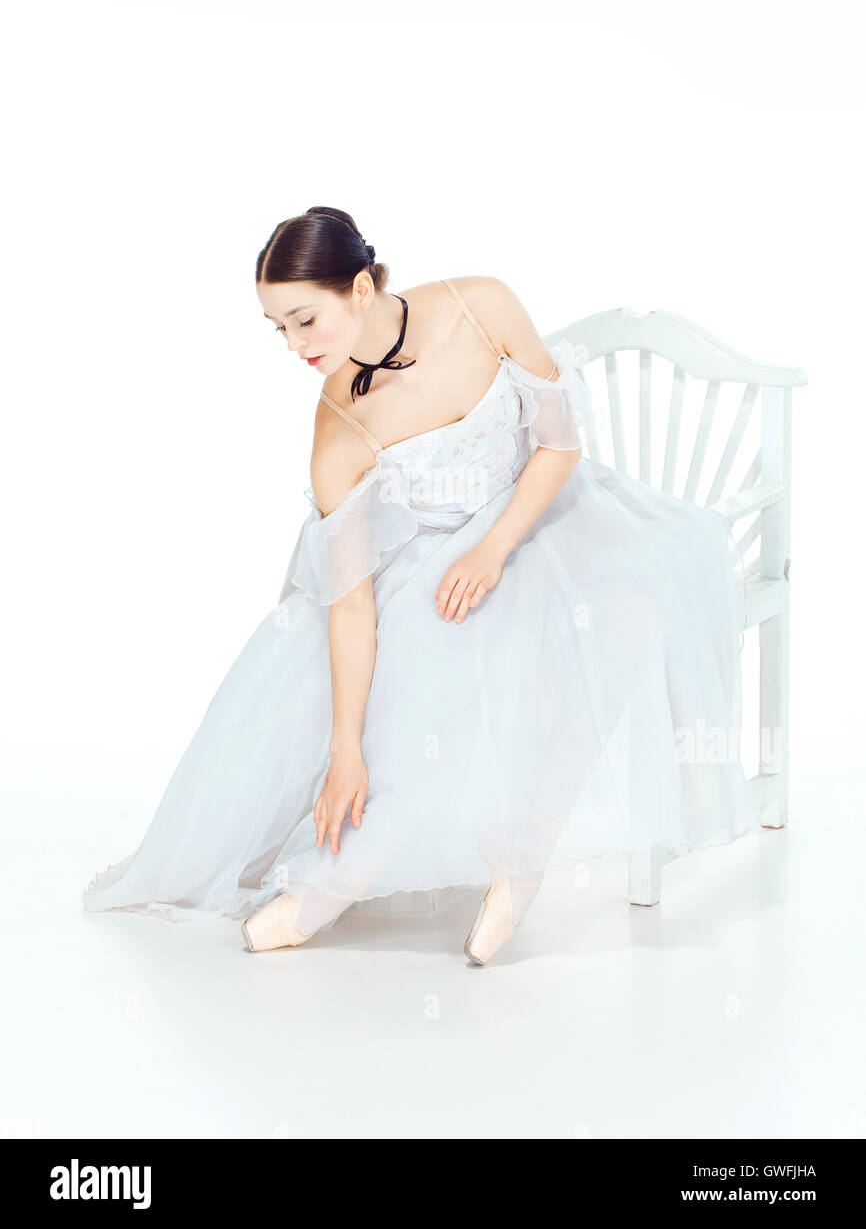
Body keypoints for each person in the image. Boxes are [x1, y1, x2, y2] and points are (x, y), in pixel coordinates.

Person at [83, 205, 759, 964]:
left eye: (305, 320)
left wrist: (495, 549)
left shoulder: (481, 304)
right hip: (430, 561)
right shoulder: (338, 423)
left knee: (630, 604)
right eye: (279, 329)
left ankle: (524, 843)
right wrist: (345, 747)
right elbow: (351, 602)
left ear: (362, 288)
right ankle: (341, 873)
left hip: (546, 513)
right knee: (423, 660)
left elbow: (561, 444)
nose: (295, 346)